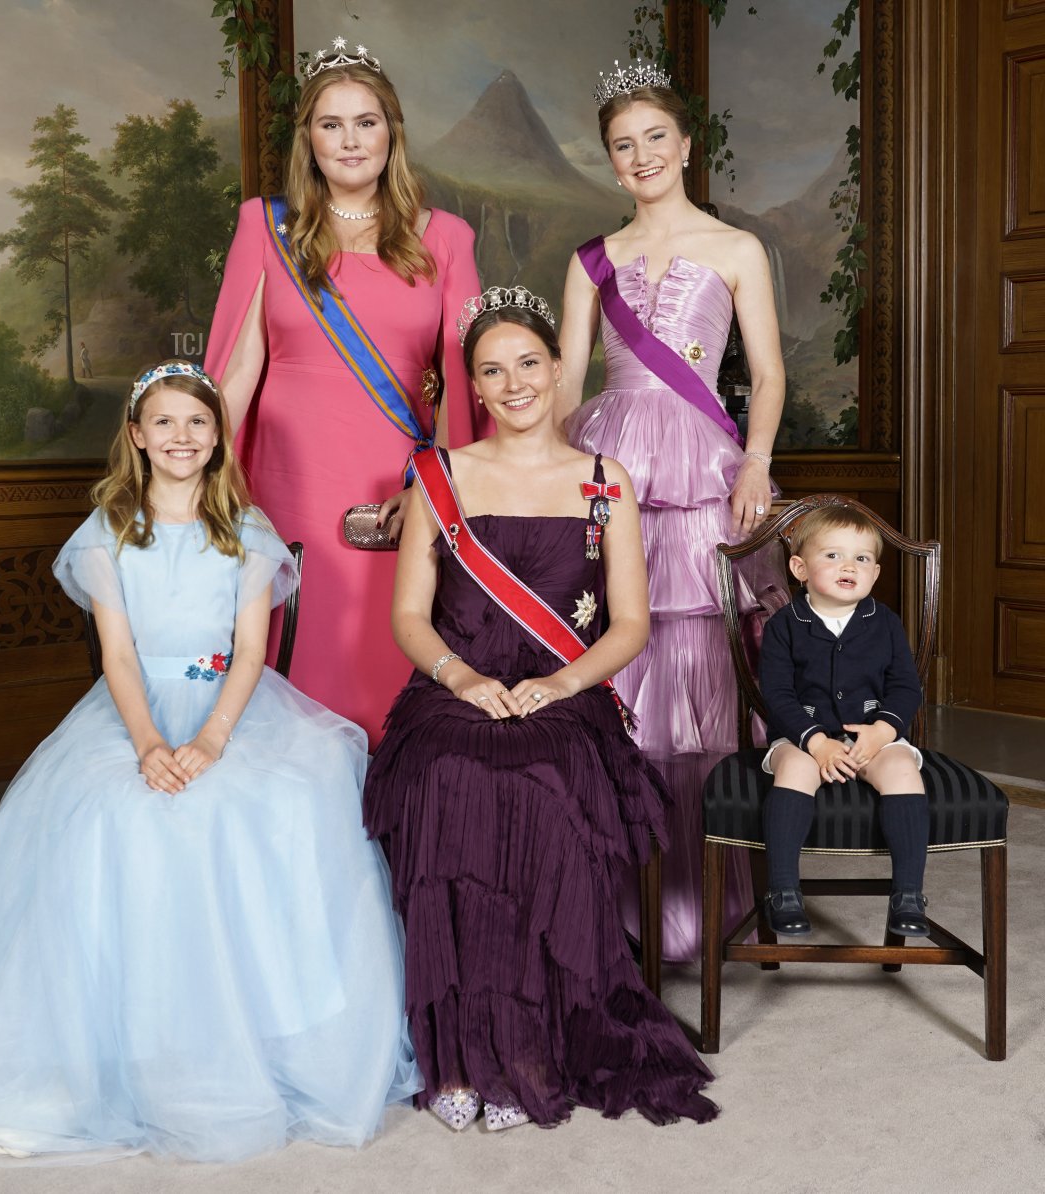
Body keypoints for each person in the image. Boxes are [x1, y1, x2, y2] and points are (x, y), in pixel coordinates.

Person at [0, 360, 419, 1166]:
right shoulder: (107, 532)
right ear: (136, 435)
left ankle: (270, 1032)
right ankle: (99, 1046)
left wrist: (208, 741)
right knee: (110, 808)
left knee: (286, 795)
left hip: (234, 710)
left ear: (217, 437)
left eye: (198, 423)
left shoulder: (248, 530)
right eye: (164, 422)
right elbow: (119, 658)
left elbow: (248, 654)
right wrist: (152, 745)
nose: (182, 437)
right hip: (134, 712)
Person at [363, 289, 718, 1133]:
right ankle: (458, 1054)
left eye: (529, 362)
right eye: (492, 371)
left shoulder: (605, 484)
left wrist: (560, 686)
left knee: (543, 785)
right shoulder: (438, 475)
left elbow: (630, 624)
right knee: (453, 777)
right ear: (474, 388)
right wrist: (460, 679)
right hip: (453, 693)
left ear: (561, 370)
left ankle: (528, 1049)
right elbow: (409, 616)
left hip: (564, 695)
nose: (514, 382)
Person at [558, 59, 788, 962]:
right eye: (625, 144)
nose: (643, 154)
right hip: (607, 462)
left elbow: (766, 375)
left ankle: (702, 891)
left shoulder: (736, 250)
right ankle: (611, 892)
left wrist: (757, 460)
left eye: (657, 136)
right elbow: (567, 378)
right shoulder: (592, 261)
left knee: (697, 667)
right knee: (612, 654)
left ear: (687, 145)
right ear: (611, 164)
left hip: (703, 468)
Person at [203, 38, 487, 747]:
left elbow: (462, 378)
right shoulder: (265, 228)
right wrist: (205, 492)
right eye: (331, 124)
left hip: (394, 496)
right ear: (309, 139)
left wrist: (435, 492)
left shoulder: (445, 238)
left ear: (392, 132)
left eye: (367, 121)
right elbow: (235, 373)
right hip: (283, 493)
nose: (350, 139)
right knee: (292, 674)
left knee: (384, 675)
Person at [758, 505, 929, 937]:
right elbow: (776, 694)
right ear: (799, 567)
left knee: (903, 768)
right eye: (832, 556)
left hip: (872, 736)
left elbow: (906, 688)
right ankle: (783, 891)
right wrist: (815, 742)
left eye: (862, 559)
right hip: (804, 739)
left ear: (874, 573)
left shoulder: (885, 623)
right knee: (794, 768)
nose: (849, 566)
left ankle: (908, 893)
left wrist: (883, 732)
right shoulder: (784, 625)